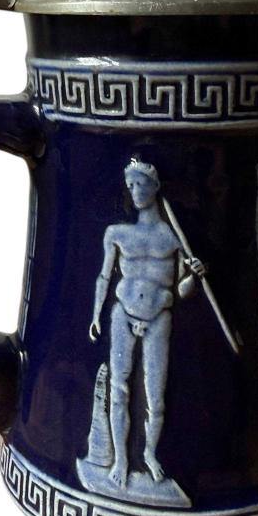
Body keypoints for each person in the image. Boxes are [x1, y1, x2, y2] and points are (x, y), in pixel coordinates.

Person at [89, 159, 205, 488]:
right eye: (130, 186)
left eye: (140, 184)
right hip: (122, 314)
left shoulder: (173, 238)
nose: (135, 191)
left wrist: (194, 275)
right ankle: (121, 460)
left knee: (155, 396)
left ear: (155, 187)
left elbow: (181, 290)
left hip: (158, 318)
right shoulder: (117, 233)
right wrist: (95, 315)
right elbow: (103, 277)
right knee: (119, 388)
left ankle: (150, 455)